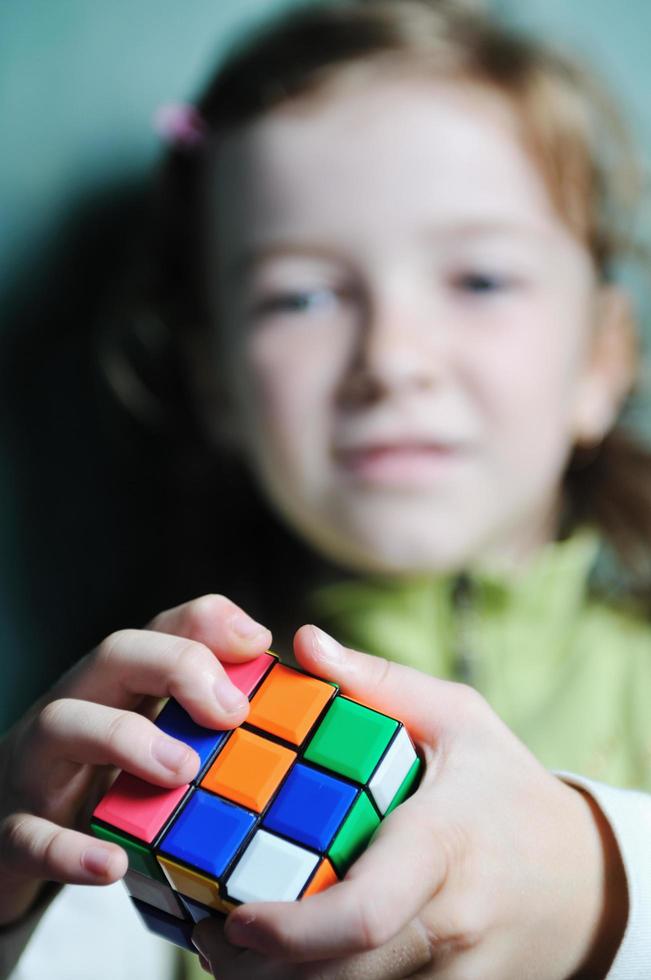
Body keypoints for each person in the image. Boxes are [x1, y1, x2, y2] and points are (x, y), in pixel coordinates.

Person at [2, 0, 651, 977]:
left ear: (603, 359)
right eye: (301, 294)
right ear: (215, 382)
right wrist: (16, 925)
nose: (391, 359)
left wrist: (603, 892)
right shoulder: (149, 738)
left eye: (478, 278)